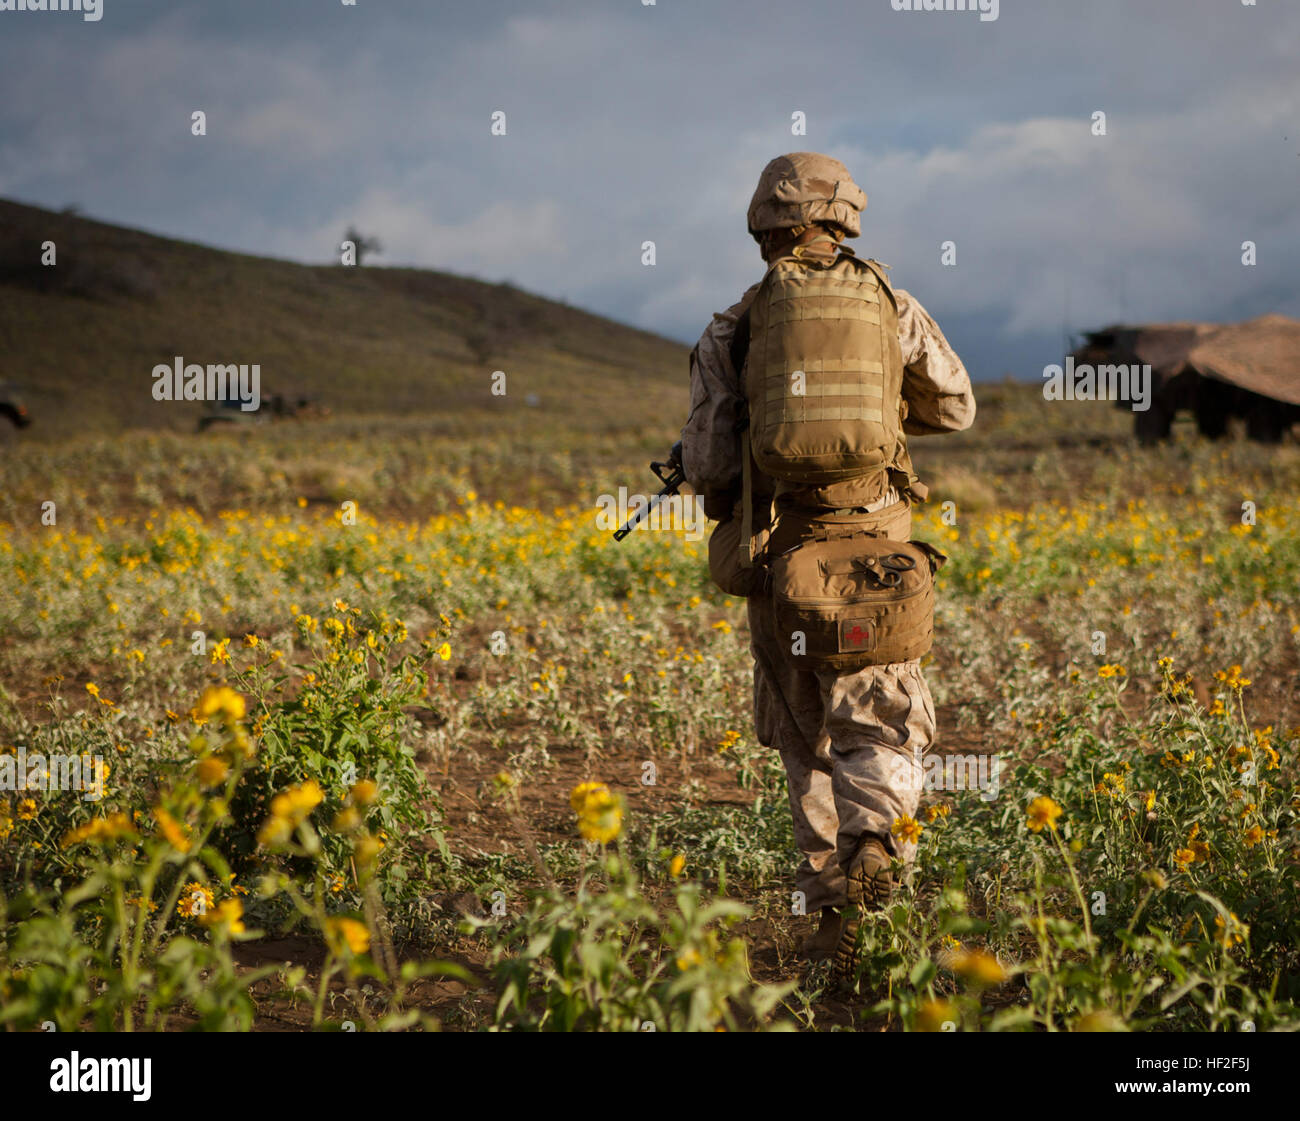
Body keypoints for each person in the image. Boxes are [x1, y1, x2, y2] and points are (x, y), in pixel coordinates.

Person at [678, 152, 975, 977]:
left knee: (804, 737)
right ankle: (877, 845)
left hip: (784, 561)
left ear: (763, 229)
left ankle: (826, 916)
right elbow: (955, 405)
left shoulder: (731, 327)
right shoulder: (893, 305)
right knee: (879, 721)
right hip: (879, 559)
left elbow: (705, 464)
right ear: (843, 218)